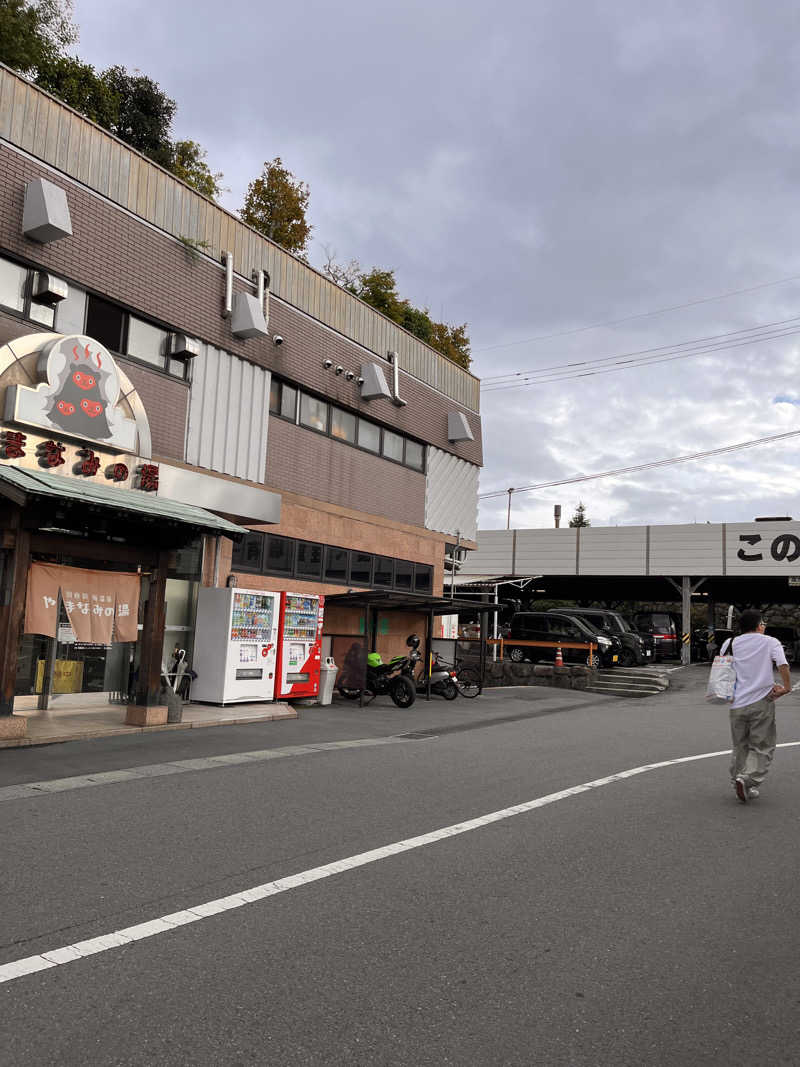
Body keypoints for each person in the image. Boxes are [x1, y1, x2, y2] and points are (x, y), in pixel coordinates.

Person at [727, 609, 791, 802]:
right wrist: (786, 687)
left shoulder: (729, 643)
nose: (764, 626)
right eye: (763, 623)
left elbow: (726, 668)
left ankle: (738, 779)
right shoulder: (771, 642)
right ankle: (748, 780)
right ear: (758, 625)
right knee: (762, 745)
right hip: (762, 700)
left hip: (736, 703)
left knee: (740, 745)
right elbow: (783, 664)